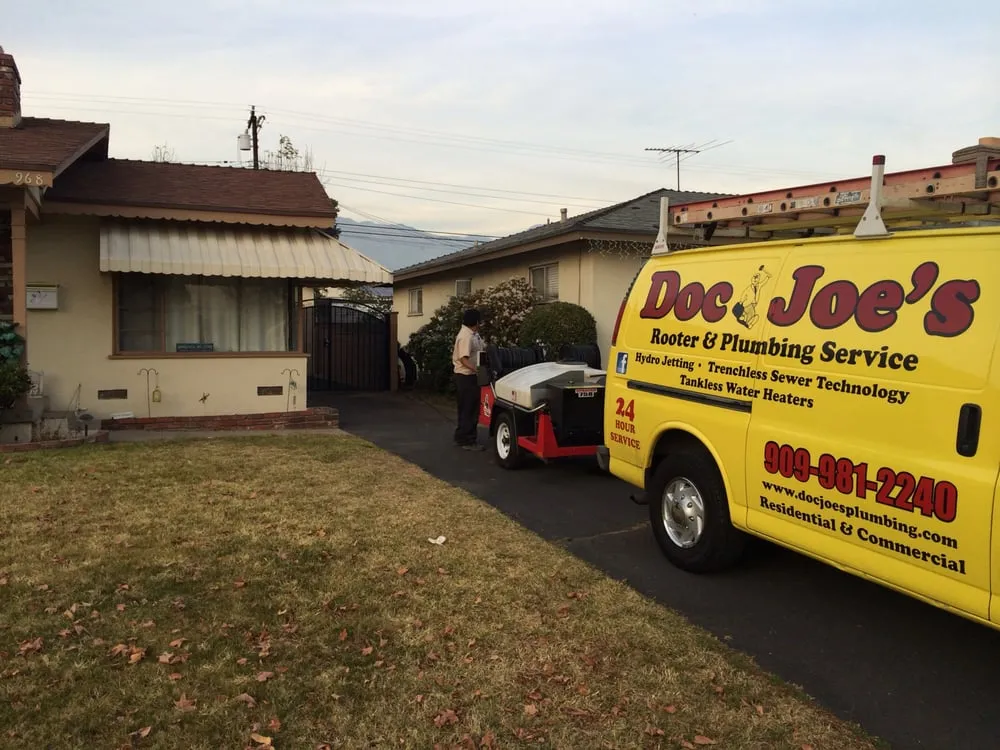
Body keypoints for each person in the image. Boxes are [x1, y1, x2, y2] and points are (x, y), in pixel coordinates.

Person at [452, 308, 485, 450]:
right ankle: (467, 440)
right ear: (476, 321)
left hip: (470, 376)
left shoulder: (473, 334)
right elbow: (463, 359)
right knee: (468, 409)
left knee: (470, 408)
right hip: (466, 376)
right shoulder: (466, 336)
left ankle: (463, 436)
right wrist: (477, 370)